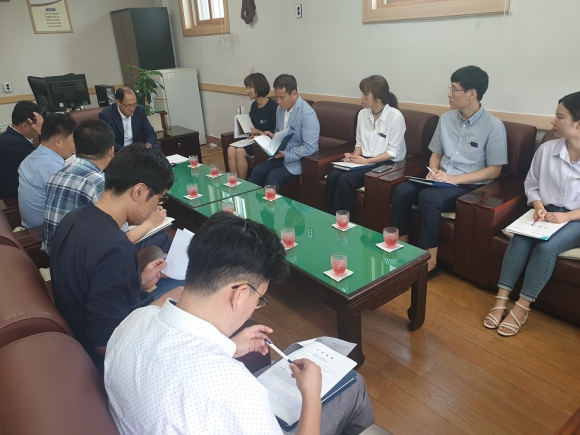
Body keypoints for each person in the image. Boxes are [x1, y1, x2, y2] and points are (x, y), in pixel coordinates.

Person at [105, 212, 374, 435]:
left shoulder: (134, 321)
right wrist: (311, 395)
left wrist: (230, 347)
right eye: (260, 299)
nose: (255, 306)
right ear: (241, 293)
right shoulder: (235, 391)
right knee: (353, 384)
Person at [51, 143, 183, 367]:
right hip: (103, 355)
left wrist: (136, 281)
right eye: (159, 199)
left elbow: (92, 283)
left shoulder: (74, 218)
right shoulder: (114, 249)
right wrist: (163, 302)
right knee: (181, 289)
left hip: (76, 326)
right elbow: (106, 343)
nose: (157, 207)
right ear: (139, 191)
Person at [392, 66, 507, 278]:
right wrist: (433, 170)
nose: (449, 94)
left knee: (428, 197)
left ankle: (430, 260)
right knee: (402, 191)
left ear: (471, 94)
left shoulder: (493, 126)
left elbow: (494, 170)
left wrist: (454, 179)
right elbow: (436, 153)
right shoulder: (446, 119)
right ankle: (403, 249)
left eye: (454, 89)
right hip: (441, 179)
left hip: (468, 185)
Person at [484, 92, 580, 336]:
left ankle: (522, 307)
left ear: (578, 124)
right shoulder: (547, 150)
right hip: (546, 212)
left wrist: (566, 217)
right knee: (521, 238)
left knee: (546, 248)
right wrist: (538, 206)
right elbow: (532, 184)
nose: (553, 122)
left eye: (560, 117)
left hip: (576, 218)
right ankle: (501, 299)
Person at [42, 120, 171, 255]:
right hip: (84, 256)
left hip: (54, 253)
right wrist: (151, 222)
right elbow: (122, 238)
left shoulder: (56, 174)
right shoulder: (100, 183)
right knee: (163, 237)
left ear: (76, 147)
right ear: (111, 150)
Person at [325, 75, 406, 215]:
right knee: (333, 176)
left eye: (366, 94)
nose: (362, 98)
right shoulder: (362, 114)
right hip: (364, 160)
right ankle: (328, 218)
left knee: (345, 179)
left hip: (386, 163)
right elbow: (359, 143)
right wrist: (353, 156)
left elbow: (393, 152)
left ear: (378, 97)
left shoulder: (395, 117)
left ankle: (342, 222)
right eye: (362, 93)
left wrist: (367, 161)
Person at [248, 74, 320, 192]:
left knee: (274, 176)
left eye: (282, 97)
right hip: (280, 154)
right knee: (258, 171)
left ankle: (269, 204)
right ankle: (245, 199)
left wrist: (286, 154)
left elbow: (310, 147)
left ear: (293, 93)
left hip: (299, 159)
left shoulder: (307, 114)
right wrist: (273, 137)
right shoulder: (280, 109)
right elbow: (280, 132)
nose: (279, 102)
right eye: (277, 97)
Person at [18, 113, 76, 228]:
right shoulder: (55, 170)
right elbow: (73, 207)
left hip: (30, 226)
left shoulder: (30, 158)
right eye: (73, 142)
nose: (75, 148)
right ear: (58, 141)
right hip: (44, 231)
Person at [228, 73, 277, 180]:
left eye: (250, 87)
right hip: (255, 139)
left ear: (259, 87)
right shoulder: (254, 105)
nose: (247, 91)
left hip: (267, 141)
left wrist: (260, 133)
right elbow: (252, 123)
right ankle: (234, 183)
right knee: (230, 150)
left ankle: (243, 185)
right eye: (246, 87)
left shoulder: (273, 107)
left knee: (240, 152)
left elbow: (277, 130)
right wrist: (247, 130)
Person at [0, 101, 44, 199]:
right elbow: (42, 163)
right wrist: (41, 133)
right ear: (25, 125)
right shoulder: (15, 143)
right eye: (38, 124)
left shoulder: (9, 136)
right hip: (12, 198)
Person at [98, 87, 158, 152]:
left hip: (137, 148)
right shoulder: (106, 115)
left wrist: (148, 145)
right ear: (118, 102)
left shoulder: (139, 110)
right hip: (119, 151)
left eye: (134, 104)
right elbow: (109, 141)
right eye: (129, 105)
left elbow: (150, 132)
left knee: (156, 148)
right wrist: (127, 152)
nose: (132, 108)